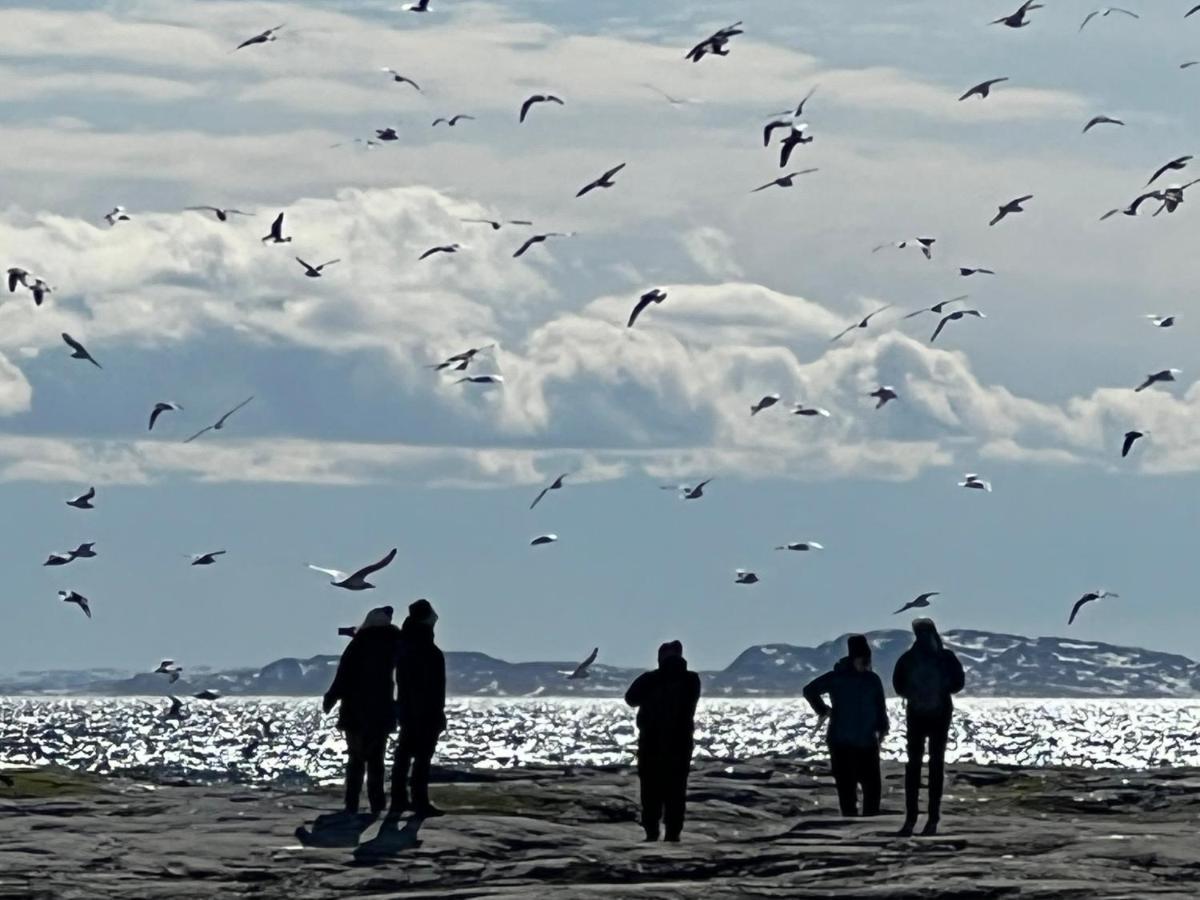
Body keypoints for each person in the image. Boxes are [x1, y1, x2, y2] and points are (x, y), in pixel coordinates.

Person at [322, 605, 403, 817]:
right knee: (377, 760)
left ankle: (352, 803)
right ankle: (377, 803)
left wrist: (330, 698)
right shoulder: (395, 644)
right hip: (382, 710)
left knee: (356, 759)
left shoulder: (358, 645)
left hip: (355, 710)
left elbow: (343, 675)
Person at [891, 618, 965, 836]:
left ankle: (910, 819)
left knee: (913, 765)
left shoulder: (908, 658)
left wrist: (915, 695)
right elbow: (958, 683)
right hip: (941, 712)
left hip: (916, 713)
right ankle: (932, 818)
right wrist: (941, 691)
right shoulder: (945, 657)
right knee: (936, 764)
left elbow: (898, 686)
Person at [802, 634, 889, 818]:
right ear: (853, 658)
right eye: (862, 659)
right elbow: (809, 690)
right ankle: (850, 823)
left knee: (872, 788)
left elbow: (880, 707)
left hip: (866, 742)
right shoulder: (837, 678)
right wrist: (823, 709)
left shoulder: (872, 680)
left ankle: (871, 824)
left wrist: (882, 728)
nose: (865, 663)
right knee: (847, 789)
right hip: (841, 742)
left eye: (867, 659)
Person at [624, 640, 702, 842]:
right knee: (674, 790)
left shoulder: (655, 679)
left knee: (652, 790)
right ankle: (670, 833)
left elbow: (631, 698)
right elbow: (631, 698)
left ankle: (654, 832)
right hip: (676, 743)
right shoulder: (691, 679)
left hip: (656, 742)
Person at [389, 598, 447, 820]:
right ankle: (417, 800)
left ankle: (399, 799)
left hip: (409, 709)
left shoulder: (408, 646)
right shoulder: (423, 649)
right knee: (420, 757)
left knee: (404, 755)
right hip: (423, 711)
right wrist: (432, 712)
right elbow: (428, 686)